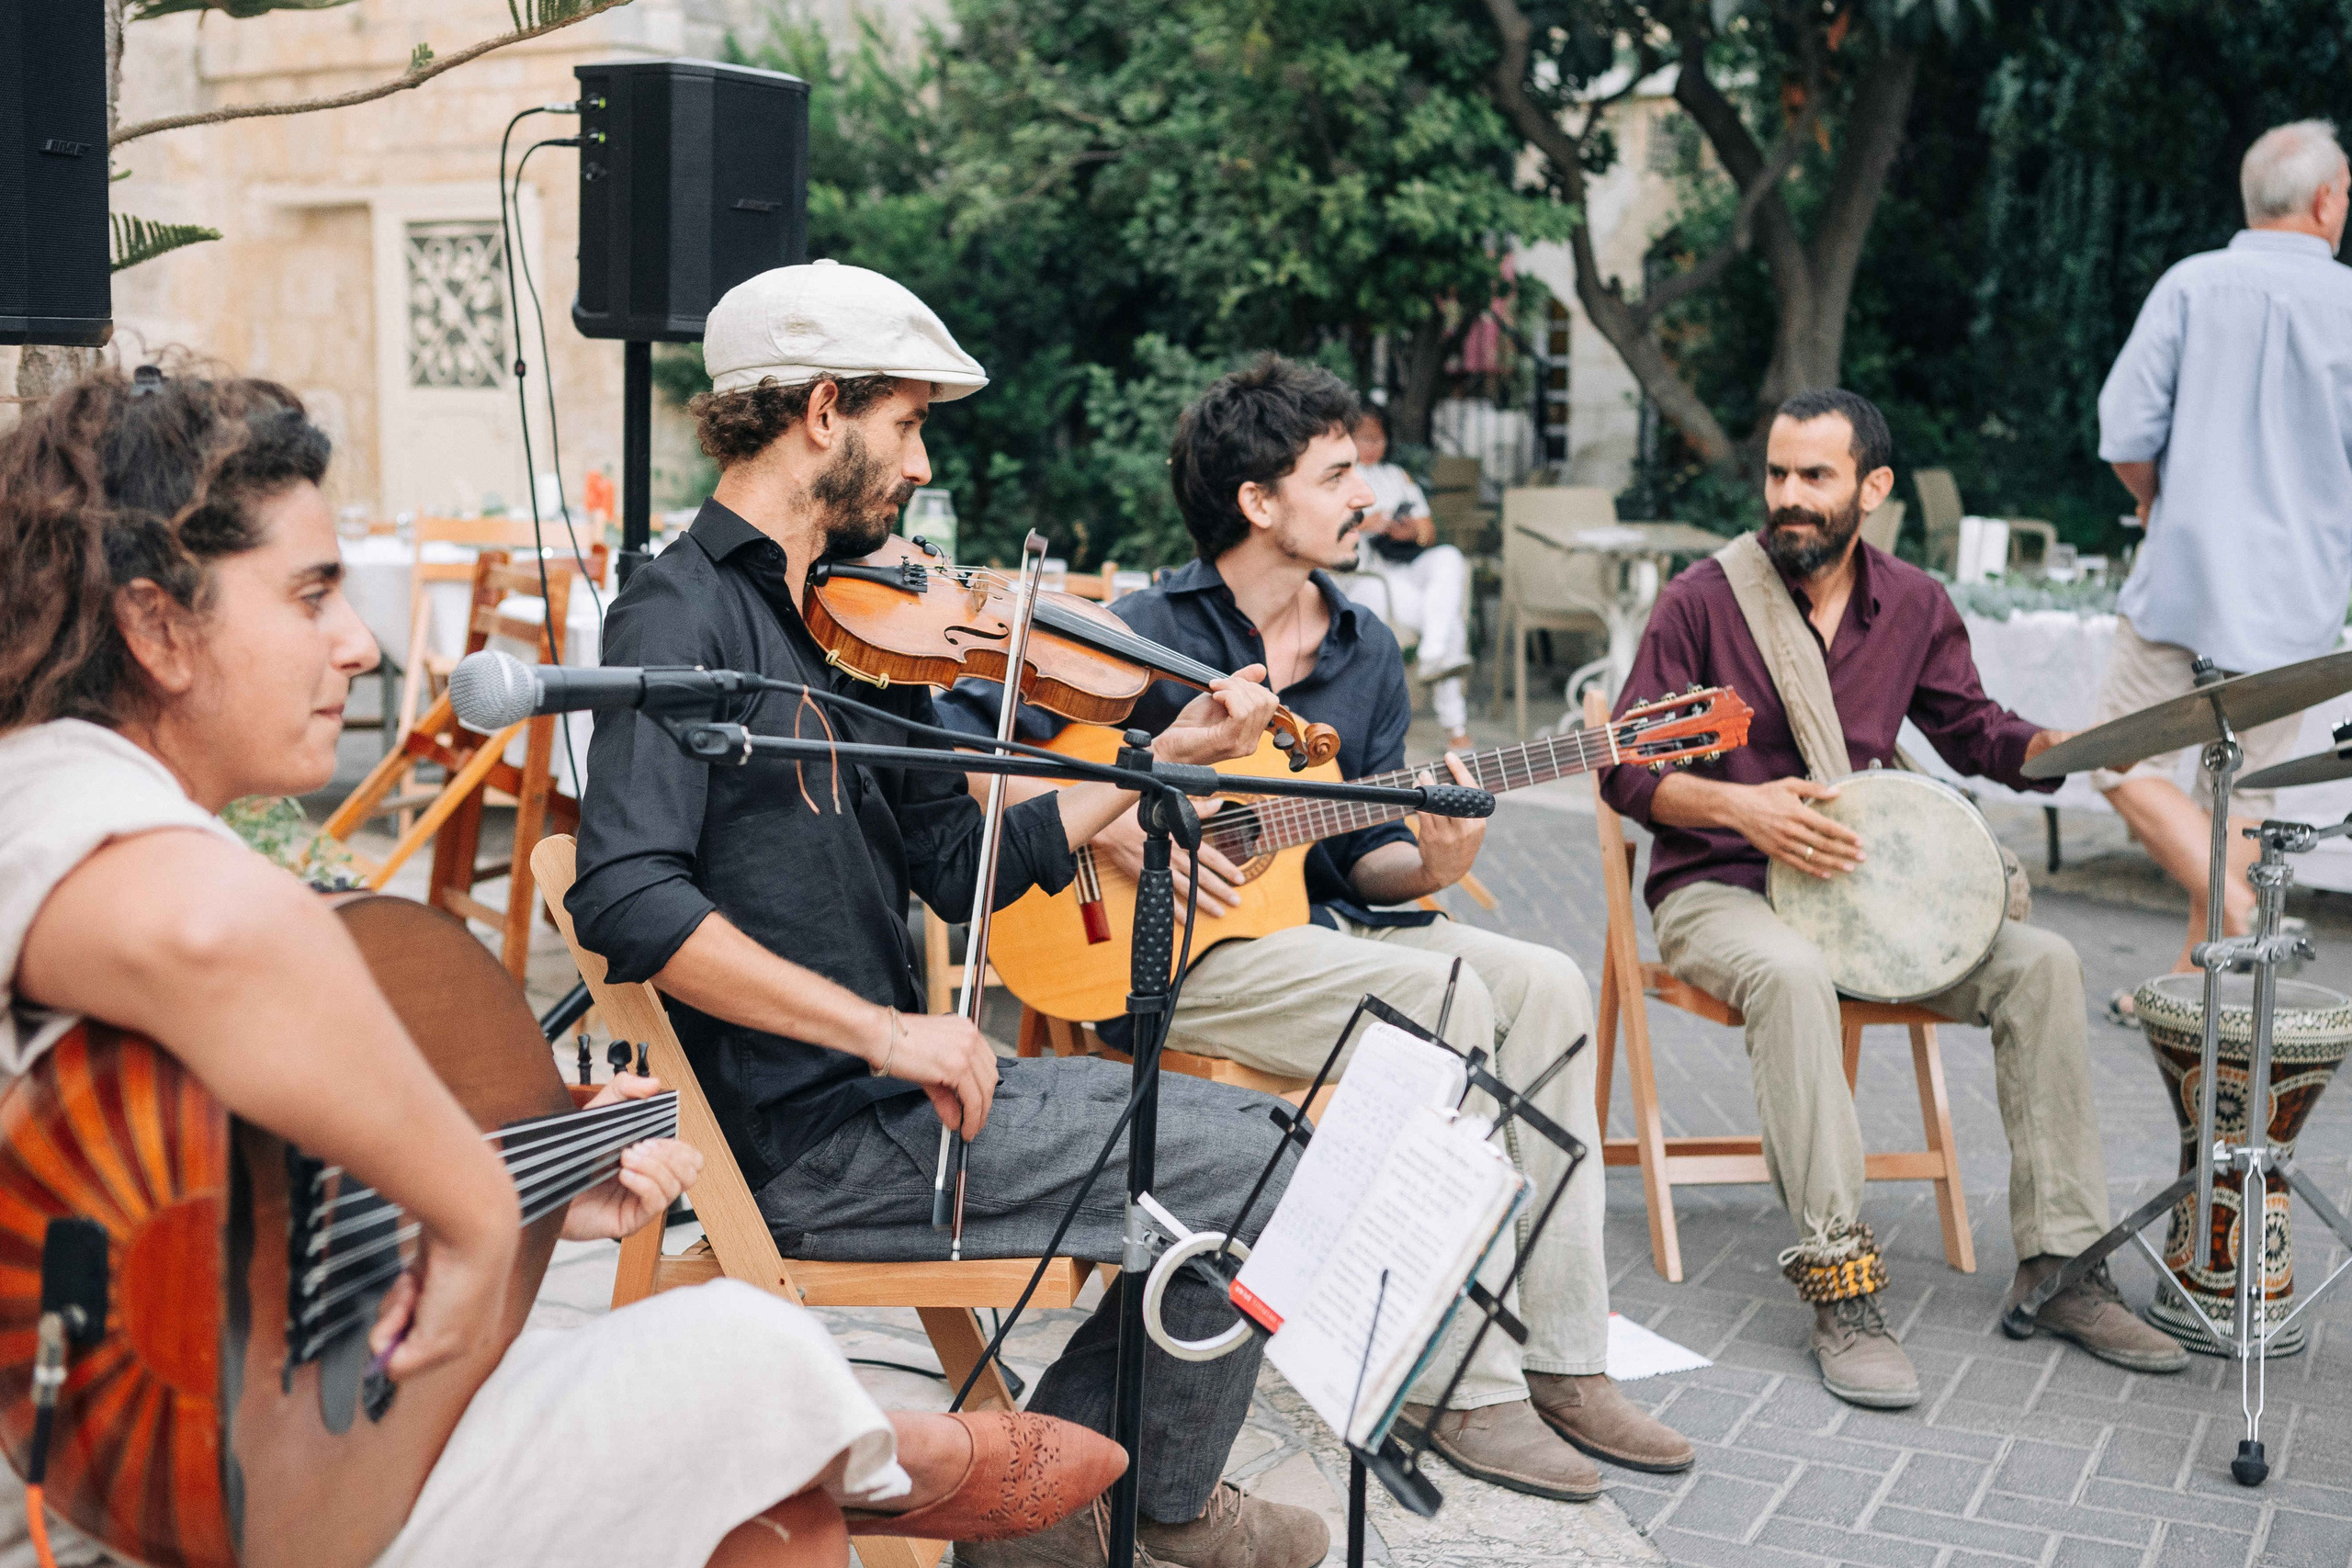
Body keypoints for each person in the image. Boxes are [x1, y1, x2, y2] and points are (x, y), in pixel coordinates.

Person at [0, 363, 1127, 1568]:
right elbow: (216, 936)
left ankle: (856, 1464)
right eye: (313, 591)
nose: (361, 642)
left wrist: (529, 1156)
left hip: (252, 1392)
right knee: (745, 1356)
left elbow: (255, 1156)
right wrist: (473, 1197)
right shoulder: (59, 786)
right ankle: (894, 1457)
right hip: (174, 1462)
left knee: (769, 1499)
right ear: (156, 624)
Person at [564, 263, 1326, 1568]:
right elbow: (628, 893)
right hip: (820, 1141)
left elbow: (962, 860)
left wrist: (1163, 758)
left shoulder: (854, 620)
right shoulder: (676, 613)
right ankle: (1120, 1503)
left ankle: (1066, 1501)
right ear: (822, 411)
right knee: (1266, 1164)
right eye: (907, 423)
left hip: (889, 1104)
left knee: (1267, 1146)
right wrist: (886, 1031)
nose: (918, 463)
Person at [942, 356, 1695, 1504]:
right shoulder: (1137, 631)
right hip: (1162, 956)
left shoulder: (1363, 647)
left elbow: (1356, 863)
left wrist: (1438, 855)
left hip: (1312, 935)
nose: (1369, 497)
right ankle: (1459, 1386)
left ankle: (1564, 1358)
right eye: (1340, 474)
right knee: (1449, 1004)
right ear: (1258, 501)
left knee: (1538, 979)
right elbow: (965, 762)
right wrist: (1107, 828)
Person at [1599, 389, 2191, 1408]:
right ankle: (1840, 1286)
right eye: (1777, 474)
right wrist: (1746, 811)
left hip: (1865, 898)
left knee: (2043, 963)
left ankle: (2060, 1264)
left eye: (1814, 477)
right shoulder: (1701, 600)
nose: (1787, 497)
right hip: (1721, 887)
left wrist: (2073, 752)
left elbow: (1976, 731)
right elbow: (1622, 770)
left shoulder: (1911, 604)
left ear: (1870, 489)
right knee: (1788, 976)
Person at [2096, 118, 2352, 998]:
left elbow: (2126, 429)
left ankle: (2200, 977)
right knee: (2241, 797)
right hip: (2300, 602)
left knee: (2112, 761)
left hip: (2181, 585)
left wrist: (2151, 497)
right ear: (2325, 201)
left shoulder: (2191, 286)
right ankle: (2239, 910)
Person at [1339, 406, 1474, 752]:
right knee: (1450, 626)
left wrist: (1410, 529)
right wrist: (1368, 523)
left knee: (1450, 557)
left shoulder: (1398, 476)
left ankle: (1431, 653)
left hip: (1405, 565)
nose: (1372, 445)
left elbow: (1428, 531)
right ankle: (1454, 723)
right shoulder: (1339, 476)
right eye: (1364, 437)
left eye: (1378, 438)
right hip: (1369, 575)